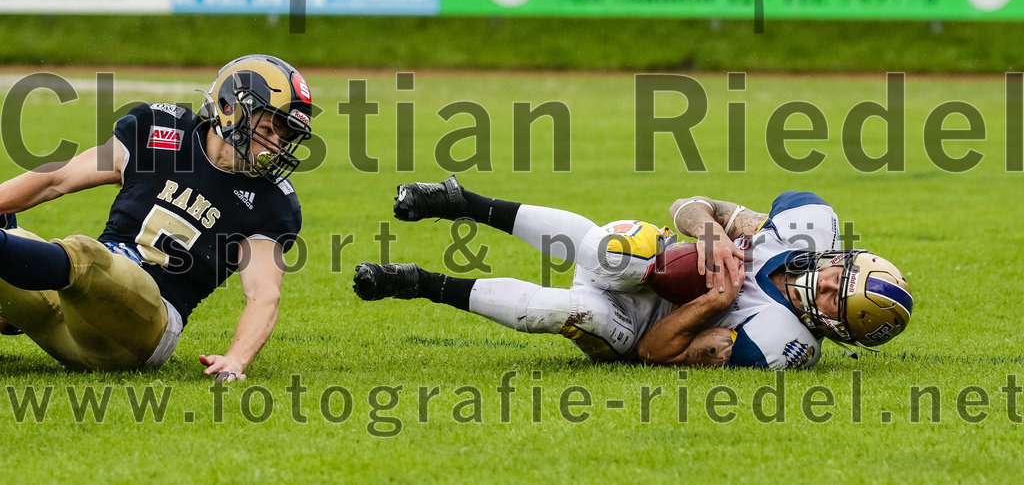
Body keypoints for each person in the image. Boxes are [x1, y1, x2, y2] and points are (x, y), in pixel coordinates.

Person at [353, 177, 913, 369]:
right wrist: (712, 232)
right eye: (845, 273)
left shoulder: (781, 345)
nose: (828, 282)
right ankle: (461, 202)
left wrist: (715, 303)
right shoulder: (807, 224)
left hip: (633, 323)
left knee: (559, 312)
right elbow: (691, 204)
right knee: (621, 251)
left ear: (838, 329)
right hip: (643, 262)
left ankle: (417, 282)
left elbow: (655, 354)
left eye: (839, 299)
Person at [0, 55, 313, 382]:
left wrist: (236, 359)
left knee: (86, 256)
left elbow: (264, 293)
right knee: (12, 229)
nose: (275, 146)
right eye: (267, 128)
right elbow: (57, 179)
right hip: (72, 313)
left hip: (144, 329)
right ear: (229, 106)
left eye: (283, 136)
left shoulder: (272, 200)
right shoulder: (160, 130)